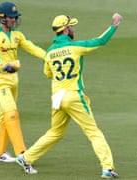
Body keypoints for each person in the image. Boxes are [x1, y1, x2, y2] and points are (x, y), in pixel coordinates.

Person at [15, 13, 123, 178]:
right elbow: (100, 41)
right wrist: (114, 25)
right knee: (93, 131)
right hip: (73, 96)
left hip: (57, 97)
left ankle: (26, 157)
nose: (73, 28)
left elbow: (48, 74)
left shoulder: (49, 53)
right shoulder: (75, 47)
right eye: (71, 26)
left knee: (55, 132)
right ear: (65, 30)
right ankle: (107, 168)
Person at [0, 2, 46, 163]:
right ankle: (22, 153)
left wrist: (49, 57)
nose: (15, 19)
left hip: (14, 80)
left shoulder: (17, 34)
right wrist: (2, 66)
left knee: (4, 115)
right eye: (12, 17)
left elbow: (31, 47)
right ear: (2, 18)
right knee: (11, 113)